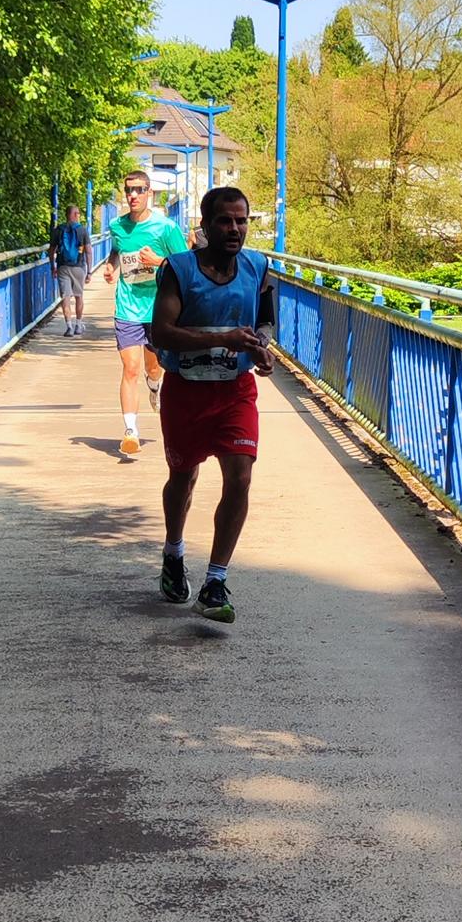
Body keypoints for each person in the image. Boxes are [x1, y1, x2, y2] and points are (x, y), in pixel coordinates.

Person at [149, 185, 274, 625]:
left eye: (242, 220)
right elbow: (161, 332)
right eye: (225, 220)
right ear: (205, 225)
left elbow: (265, 321)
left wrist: (262, 349)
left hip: (235, 391)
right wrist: (222, 338)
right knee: (182, 478)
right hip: (186, 391)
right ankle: (173, 553)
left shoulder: (258, 267)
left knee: (240, 477)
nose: (235, 229)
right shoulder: (179, 270)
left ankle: (215, 582)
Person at [103, 172, 188, 460]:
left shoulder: (166, 228)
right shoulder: (117, 226)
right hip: (127, 307)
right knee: (130, 368)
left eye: (139, 190)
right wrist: (111, 266)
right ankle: (130, 432)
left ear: (149, 193)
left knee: (154, 368)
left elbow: (186, 266)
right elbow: (117, 250)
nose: (133, 195)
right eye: (129, 190)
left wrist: (158, 261)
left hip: (159, 309)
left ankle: (154, 385)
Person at [50, 202, 91, 336]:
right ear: (73, 214)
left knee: (65, 297)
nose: (79, 215)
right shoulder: (82, 230)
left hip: (62, 267)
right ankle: (78, 325)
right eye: (77, 213)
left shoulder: (58, 230)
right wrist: (89, 272)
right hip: (79, 267)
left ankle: (69, 327)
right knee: (79, 296)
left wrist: (52, 267)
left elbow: (51, 250)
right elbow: (88, 251)